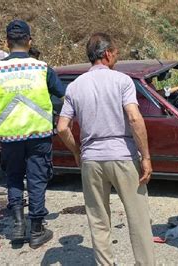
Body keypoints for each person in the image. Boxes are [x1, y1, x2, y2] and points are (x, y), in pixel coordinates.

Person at [57, 32, 155, 265]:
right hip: (122, 155)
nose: (117, 58)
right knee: (138, 218)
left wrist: (77, 151)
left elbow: (62, 128)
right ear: (108, 54)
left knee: (98, 220)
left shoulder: (74, 87)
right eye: (116, 53)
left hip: (91, 159)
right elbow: (134, 118)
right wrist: (146, 157)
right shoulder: (122, 81)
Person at [0, 20, 65, 248]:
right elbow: (63, 94)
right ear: (30, 41)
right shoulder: (42, 68)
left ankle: (18, 225)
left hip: (9, 138)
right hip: (39, 136)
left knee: (14, 178)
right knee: (37, 180)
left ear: (7, 43)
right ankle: (37, 230)